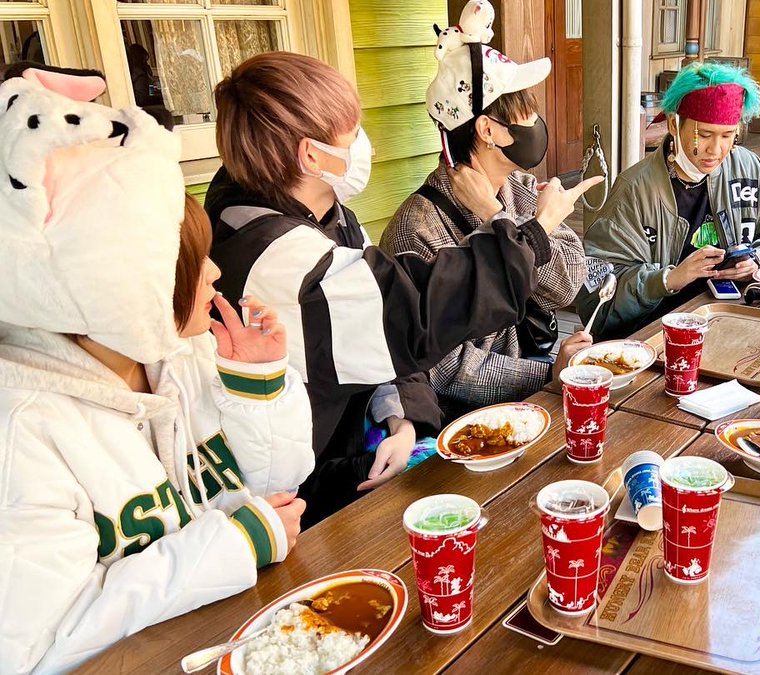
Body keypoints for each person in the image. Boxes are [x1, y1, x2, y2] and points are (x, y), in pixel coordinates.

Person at [0, 69, 313, 673]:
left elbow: (281, 488)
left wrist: (258, 384)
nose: (215, 274)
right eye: (186, 262)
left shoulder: (177, 353)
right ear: (114, 286)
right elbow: (41, 651)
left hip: (249, 638)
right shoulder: (22, 432)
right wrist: (230, 546)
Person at [205, 51, 594, 525]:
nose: (364, 145)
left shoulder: (331, 217)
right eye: (353, 133)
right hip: (299, 492)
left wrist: (401, 418)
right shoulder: (275, 255)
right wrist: (527, 232)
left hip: (365, 444)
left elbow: (381, 339)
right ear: (311, 155)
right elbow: (414, 313)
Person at [382, 0, 595, 411]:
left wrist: (503, 219)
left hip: (528, 390)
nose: (537, 122)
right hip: (465, 420)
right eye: (526, 110)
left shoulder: (521, 188)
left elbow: (569, 283)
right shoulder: (416, 229)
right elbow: (445, 368)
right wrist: (547, 377)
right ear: (487, 130)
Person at [579, 61, 760, 339]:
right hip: (657, 332)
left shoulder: (748, 169)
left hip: (732, 315)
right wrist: (669, 279)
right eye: (705, 135)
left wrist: (759, 258)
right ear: (674, 124)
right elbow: (595, 298)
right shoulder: (635, 190)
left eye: (728, 135)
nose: (716, 150)